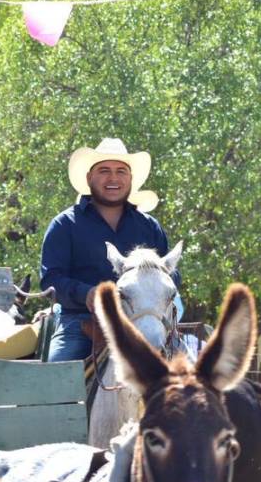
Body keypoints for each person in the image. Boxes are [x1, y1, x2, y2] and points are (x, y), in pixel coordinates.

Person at [40, 138, 171, 362]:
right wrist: (87, 293)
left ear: (130, 179)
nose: (113, 178)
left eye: (121, 171)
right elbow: (51, 279)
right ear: (89, 177)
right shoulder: (64, 224)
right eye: (104, 171)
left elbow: (170, 273)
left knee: (193, 380)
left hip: (146, 321)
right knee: (56, 379)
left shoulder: (149, 227)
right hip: (82, 324)